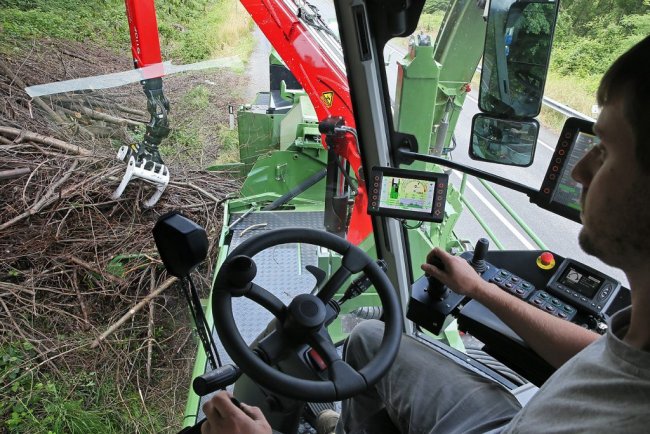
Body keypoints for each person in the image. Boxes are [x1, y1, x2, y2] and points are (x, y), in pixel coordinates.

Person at [199, 35, 650, 434]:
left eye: (605, 151)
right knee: (369, 338)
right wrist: (478, 288)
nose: (579, 170)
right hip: (509, 420)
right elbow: (597, 353)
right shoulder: (639, 337)